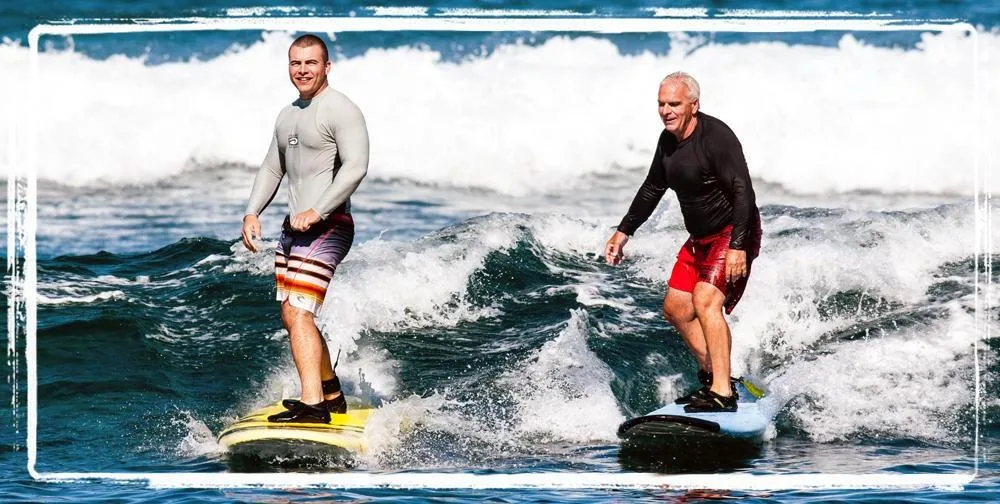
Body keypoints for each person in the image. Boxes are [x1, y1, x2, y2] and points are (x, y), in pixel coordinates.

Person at [604, 72, 761, 413]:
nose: (666, 110)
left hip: (732, 232)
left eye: (673, 104)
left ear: (694, 105)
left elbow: (742, 190)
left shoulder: (716, 137)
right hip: (701, 238)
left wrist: (737, 246)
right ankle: (716, 376)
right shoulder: (668, 141)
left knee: (705, 301)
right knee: (676, 309)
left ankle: (722, 393)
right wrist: (623, 231)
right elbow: (651, 188)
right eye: (661, 104)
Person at [241, 34, 369, 424]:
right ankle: (329, 394)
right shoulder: (287, 114)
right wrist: (252, 212)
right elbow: (271, 167)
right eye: (296, 63)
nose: (303, 70)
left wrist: (318, 210)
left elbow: (356, 167)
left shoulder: (341, 110)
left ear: (326, 66)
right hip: (293, 229)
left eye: (311, 63)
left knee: (298, 311)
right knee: (293, 313)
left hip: (329, 226)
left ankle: (312, 404)